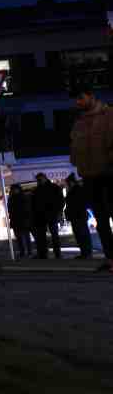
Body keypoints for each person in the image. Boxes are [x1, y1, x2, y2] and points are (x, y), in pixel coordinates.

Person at [70, 81, 113, 270]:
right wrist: (76, 160)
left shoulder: (108, 115)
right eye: (76, 99)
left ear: (91, 96)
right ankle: (110, 258)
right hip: (90, 176)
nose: (78, 102)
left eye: (80, 98)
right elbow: (74, 148)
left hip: (109, 173)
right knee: (101, 221)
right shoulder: (79, 123)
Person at [31, 173, 64, 259]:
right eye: (38, 180)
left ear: (44, 178)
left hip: (49, 215)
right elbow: (33, 204)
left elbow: (61, 201)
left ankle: (52, 253)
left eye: (39, 180)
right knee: (46, 235)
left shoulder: (52, 187)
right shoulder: (39, 189)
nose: (39, 181)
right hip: (43, 215)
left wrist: (57, 211)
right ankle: (47, 253)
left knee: (51, 235)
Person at [64, 173, 93, 259]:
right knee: (82, 234)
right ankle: (86, 252)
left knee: (81, 234)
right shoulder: (77, 190)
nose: (67, 185)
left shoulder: (75, 191)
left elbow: (73, 203)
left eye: (68, 183)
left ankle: (85, 252)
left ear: (71, 182)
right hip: (78, 215)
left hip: (77, 216)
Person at [8, 184, 33, 258]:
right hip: (16, 220)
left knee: (26, 236)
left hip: (23, 220)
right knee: (19, 237)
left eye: (15, 189)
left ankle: (28, 251)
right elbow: (10, 209)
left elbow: (27, 208)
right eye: (13, 189)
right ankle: (23, 251)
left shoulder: (22, 197)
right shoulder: (11, 198)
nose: (14, 191)